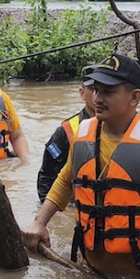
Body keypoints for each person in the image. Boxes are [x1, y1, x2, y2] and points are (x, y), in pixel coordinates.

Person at [22, 53, 140, 279]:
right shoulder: (83, 133)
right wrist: (39, 222)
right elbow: (66, 181)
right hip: (91, 268)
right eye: (96, 90)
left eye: (108, 91)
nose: (98, 98)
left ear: (135, 97)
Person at [36, 65, 97, 202]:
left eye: (105, 89)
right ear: (82, 93)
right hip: (76, 204)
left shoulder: (122, 125)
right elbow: (46, 178)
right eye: (93, 89)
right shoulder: (67, 131)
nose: (98, 95)